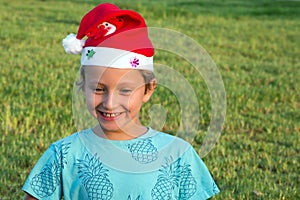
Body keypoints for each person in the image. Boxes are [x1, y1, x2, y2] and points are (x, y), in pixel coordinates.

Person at [22, 3, 220, 200]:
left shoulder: (178, 154)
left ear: (148, 89)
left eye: (125, 90)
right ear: (82, 85)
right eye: (98, 89)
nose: (109, 103)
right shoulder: (63, 154)